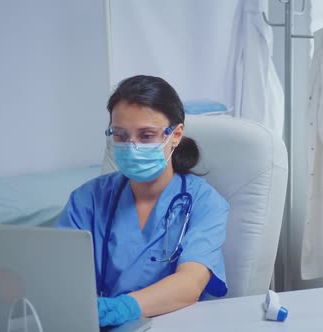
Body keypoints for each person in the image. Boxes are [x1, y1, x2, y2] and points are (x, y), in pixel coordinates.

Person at [58, 75, 229, 327]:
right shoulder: (87, 200)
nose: (131, 146)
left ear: (176, 135)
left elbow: (190, 283)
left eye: (146, 136)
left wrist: (120, 307)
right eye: (121, 136)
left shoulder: (204, 203)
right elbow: (60, 278)